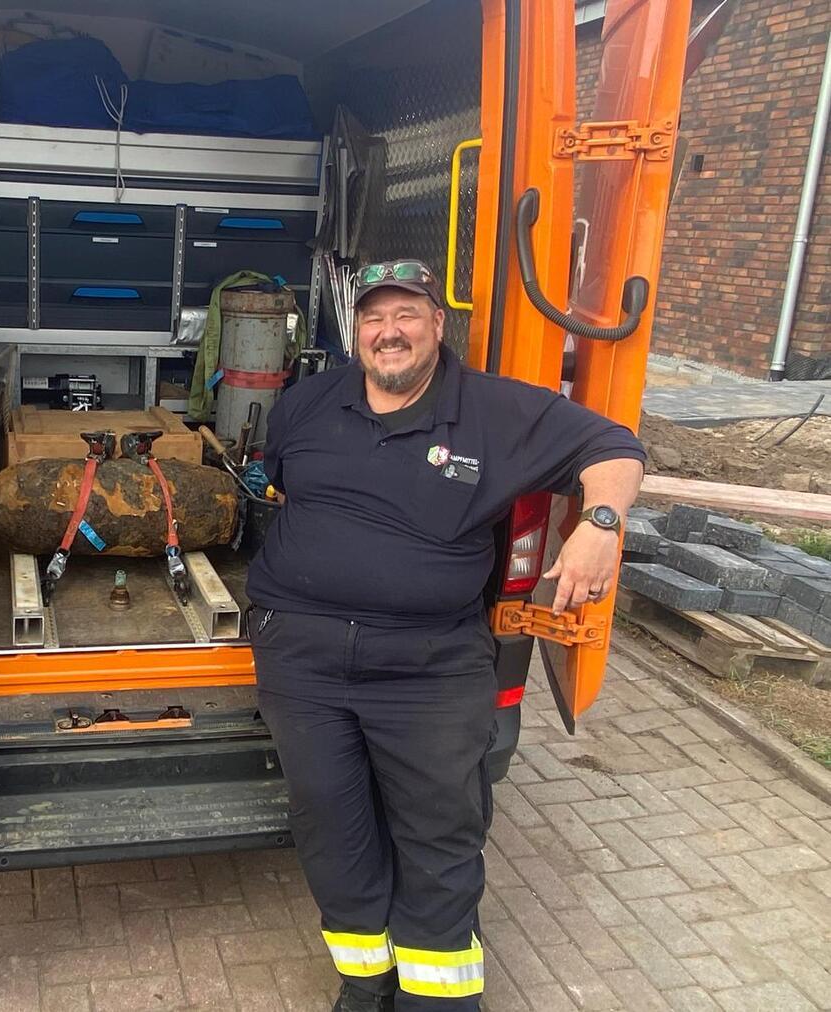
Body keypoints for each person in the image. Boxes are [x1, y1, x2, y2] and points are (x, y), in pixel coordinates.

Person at [246, 260, 645, 1012]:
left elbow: (616, 447)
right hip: (303, 661)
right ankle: (364, 985)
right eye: (373, 318)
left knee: (438, 837)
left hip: (429, 668)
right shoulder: (304, 405)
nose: (388, 332)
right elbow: (286, 491)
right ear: (356, 330)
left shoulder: (494, 411)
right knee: (332, 830)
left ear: (437, 325)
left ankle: (438, 999)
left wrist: (599, 527)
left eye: (406, 316)